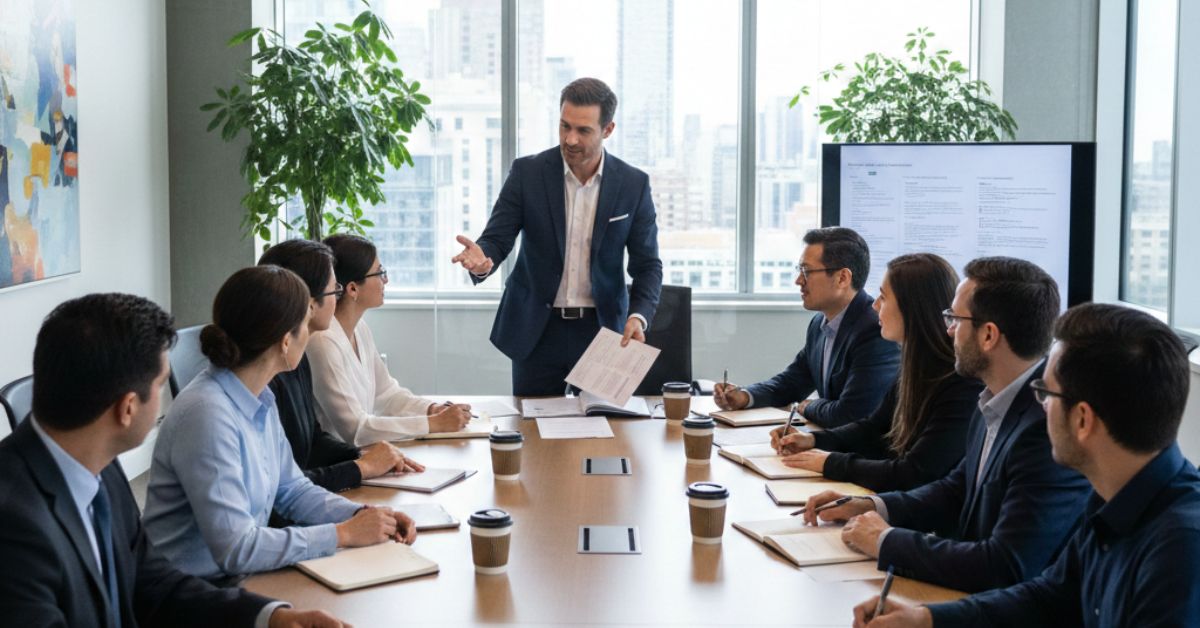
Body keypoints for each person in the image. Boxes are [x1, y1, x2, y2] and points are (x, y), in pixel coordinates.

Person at [0, 292, 346, 627]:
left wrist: (270, 617)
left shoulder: (97, 465)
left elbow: (151, 582)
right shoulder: (16, 524)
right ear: (128, 408)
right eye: (162, 385)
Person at [854, 303, 1200, 627]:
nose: (1040, 407)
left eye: (1046, 394)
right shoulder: (1112, 496)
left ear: (1083, 420)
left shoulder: (1181, 548)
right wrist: (928, 618)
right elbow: (1048, 597)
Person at [805, 257, 1090, 593]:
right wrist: (874, 506)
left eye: (955, 318)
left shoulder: (1046, 428)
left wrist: (886, 541)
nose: (948, 329)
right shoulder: (996, 398)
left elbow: (1004, 565)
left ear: (988, 335)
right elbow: (956, 489)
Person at [144, 266, 417, 580]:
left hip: (239, 578)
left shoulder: (259, 396)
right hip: (194, 594)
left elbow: (291, 489)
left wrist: (363, 516)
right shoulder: (208, 415)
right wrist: (342, 534)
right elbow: (237, 548)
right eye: (306, 323)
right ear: (286, 341)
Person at [450, 77, 663, 396]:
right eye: (564, 126)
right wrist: (481, 262)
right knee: (532, 430)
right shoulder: (528, 173)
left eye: (583, 130)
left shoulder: (633, 184)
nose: (571, 139)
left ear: (608, 130)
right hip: (537, 329)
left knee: (601, 435)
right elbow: (497, 238)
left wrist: (638, 316)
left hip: (602, 331)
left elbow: (648, 265)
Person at [770, 253, 982, 492]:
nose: (875, 305)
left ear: (912, 308)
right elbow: (873, 429)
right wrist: (813, 440)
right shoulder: (916, 366)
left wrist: (831, 462)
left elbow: (914, 473)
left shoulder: (960, 384)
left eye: (883, 296)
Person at [259, 239, 423, 494]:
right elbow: (283, 487)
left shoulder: (295, 359)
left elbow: (312, 441)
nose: (339, 297)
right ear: (309, 303)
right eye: (333, 290)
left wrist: (364, 456)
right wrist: (362, 467)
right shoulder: (270, 375)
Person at [715, 227, 900, 428]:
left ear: (842, 278)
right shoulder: (819, 324)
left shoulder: (875, 330)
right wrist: (744, 396)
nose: (798, 281)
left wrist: (808, 407)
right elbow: (792, 382)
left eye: (807, 271)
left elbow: (850, 414)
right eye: (799, 271)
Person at [307, 234, 471, 445]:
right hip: (343, 463)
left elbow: (387, 394)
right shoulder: (323, 343)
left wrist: (431, 409)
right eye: (380, 273)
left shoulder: (360, 329)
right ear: (352, 289)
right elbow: (356, 429)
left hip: (368, 454)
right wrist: (433, 424)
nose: (386, 280)